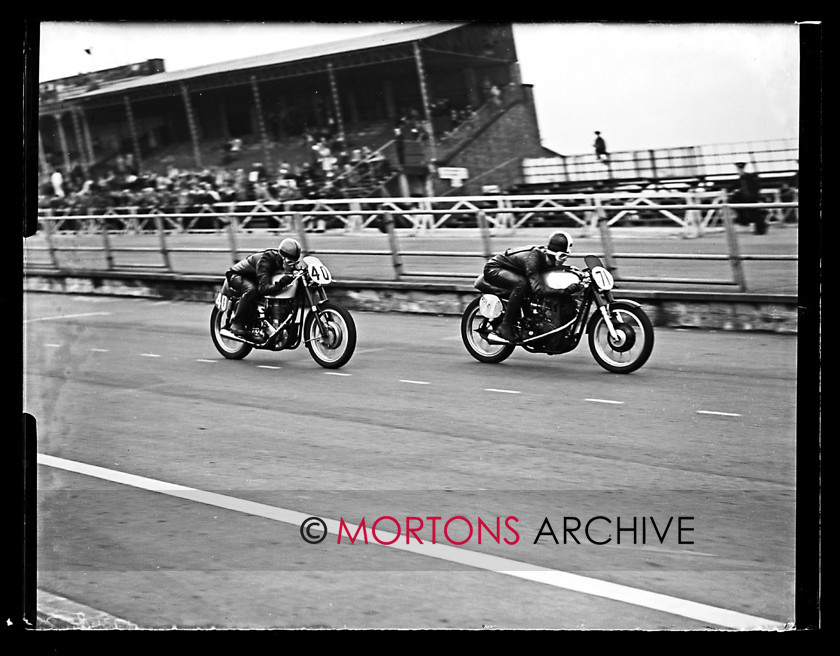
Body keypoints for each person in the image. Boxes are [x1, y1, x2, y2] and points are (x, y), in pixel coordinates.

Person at [483, 231, 580, 342]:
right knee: (522, 284)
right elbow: (538, 289)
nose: (565, 259)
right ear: (556, 255)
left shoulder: (548, 258)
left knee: (531, 285)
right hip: (494, 268)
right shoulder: (533, 259)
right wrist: (563, 291)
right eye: (563, 256)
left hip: (514, 270)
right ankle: (505, 325)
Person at [226, 238, 302, 336]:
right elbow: (263, 289)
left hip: (255, 277)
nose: (292, 266)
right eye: (290, 262)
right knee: (252, 290)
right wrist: (281, 283)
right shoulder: (266, 261)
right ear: (283, 257)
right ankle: (236, 323)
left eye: (294, 262)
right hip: (237, 275)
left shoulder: (285, 263)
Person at [730, 162, 766, 234]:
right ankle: (759, 228)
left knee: (755, 214)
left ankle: (760, 228)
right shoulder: (742, 178)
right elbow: (736, 187)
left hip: (750, 198)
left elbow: (752, 188)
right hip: (747, 198)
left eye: (739, 169)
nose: (738, 170)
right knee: (753, 213)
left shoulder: (748, 177)